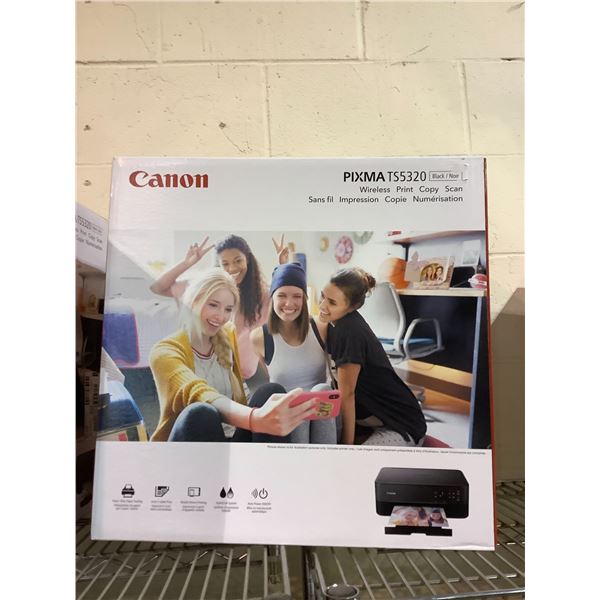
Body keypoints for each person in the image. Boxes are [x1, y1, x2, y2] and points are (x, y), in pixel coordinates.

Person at [149, 268, 317, 442]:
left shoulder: (227, 334)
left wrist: (263, 414)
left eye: (228, 309)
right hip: (191, 442)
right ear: (193, 302)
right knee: (201, 412)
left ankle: (269, 459)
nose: (221, 316)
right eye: (213, 305)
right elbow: (198, 392)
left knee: (271, 392)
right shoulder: (164, 352)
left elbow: (239, 389)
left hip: (232, 437)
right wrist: (255, 418)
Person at [150, 234, 290, 380]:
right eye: (225, 263)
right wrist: (187, 263)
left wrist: (283, 266)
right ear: (219, 265)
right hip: (206, 370)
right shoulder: (208, 288)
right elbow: (158, 287)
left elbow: (285, 296)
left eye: (238, 261)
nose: (232, 268)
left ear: (247, 259)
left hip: (241, 374)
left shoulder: (262, 295)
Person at [318, 267, 427, 446]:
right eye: (322, 295)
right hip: (368, 422)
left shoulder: (350, 332)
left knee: (357, 461)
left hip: (400, 424)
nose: (322, 305)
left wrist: (346, 448)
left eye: (332, 302)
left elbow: (347, 394)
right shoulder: (333, 323)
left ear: (352, 307)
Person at [250, 263, 336, 444]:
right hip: (288, 417)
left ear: (304, 299)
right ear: (272, 297)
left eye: (297, 296)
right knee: (297, 403)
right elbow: (264, 387)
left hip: (321, 412)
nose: (289, 303)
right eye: (282, 295)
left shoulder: (321, 328)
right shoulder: (259, 337)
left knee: (322, 389)